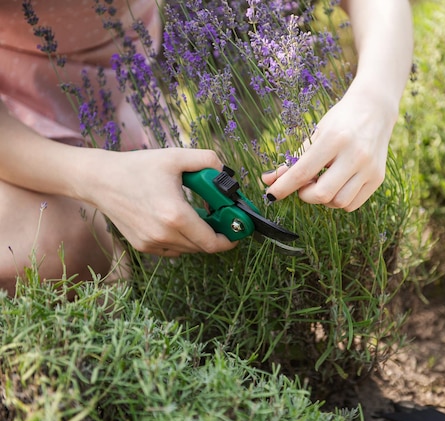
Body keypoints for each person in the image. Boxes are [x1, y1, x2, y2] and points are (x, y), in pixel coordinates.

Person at [0, 0, 414, 295]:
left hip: (127, 99)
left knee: (157, 249)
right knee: (52, 249)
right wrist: (94, 177)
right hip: (14, 128)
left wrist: (375, 98)